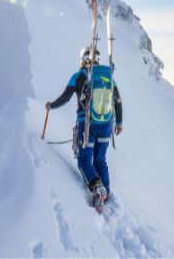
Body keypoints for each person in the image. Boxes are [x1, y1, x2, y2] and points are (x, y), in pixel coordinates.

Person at [46, 46, 123, 207]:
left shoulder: (78, 76)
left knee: (84, 160)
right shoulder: (107, 77)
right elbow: (117, 100)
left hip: (87, 124)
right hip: (106, 124)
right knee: (100, 159)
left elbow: (65, 97)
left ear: (83, 59)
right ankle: (106, 193)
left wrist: (51, 106)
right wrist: (119, 122)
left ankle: (96, 187)